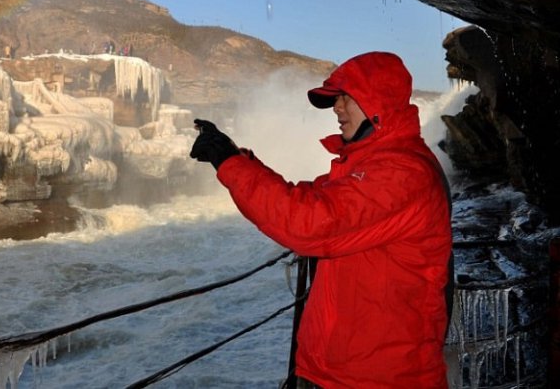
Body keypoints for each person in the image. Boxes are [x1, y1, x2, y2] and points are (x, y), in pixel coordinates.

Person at [189, 51, 452, 388]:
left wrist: (229, 163)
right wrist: (238, 158)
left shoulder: (403, 173)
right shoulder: (366, 166)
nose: (337, 108)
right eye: (335, 99)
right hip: (336, 372)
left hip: (382, 377)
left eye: (346, 97)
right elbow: (303, 198)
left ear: (378, 102)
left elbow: (309, 222)